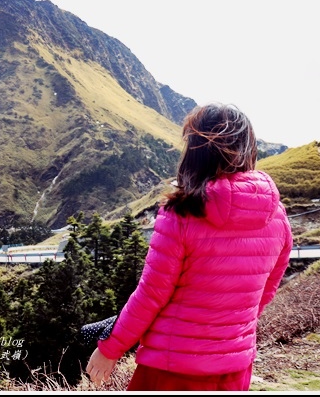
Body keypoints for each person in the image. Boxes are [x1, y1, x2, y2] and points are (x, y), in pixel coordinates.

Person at [86, 103, 292, 391]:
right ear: (249, 149)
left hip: (171, 368)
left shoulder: (182, 212)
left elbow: (151, 294)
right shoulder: (277, 216)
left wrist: (109, 350)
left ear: (196, 151)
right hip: (234, 369)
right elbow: (265, 291)